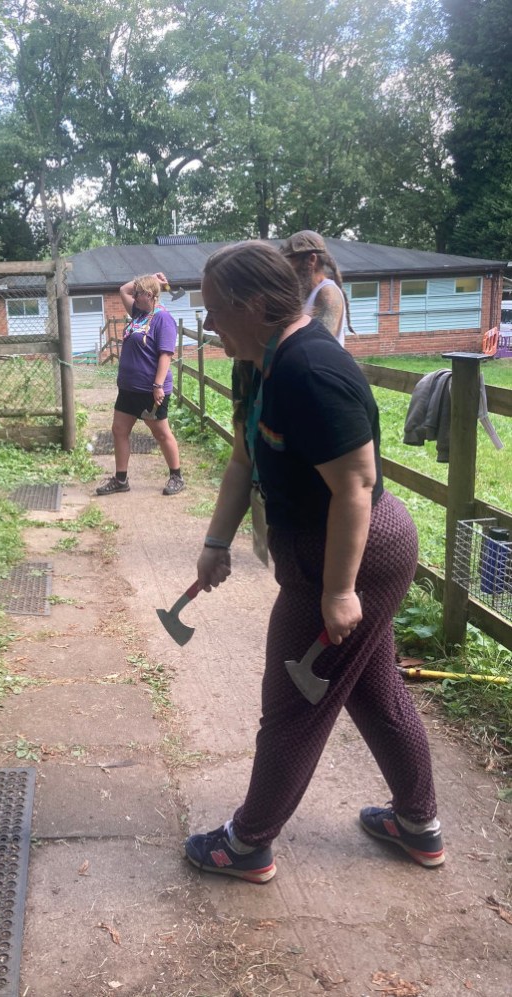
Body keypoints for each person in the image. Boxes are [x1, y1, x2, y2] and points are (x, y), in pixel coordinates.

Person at [184, 240, 443, 884]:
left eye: (215, 309)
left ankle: (248, 843)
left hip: (351, 556)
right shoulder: (259, 362)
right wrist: (216, 544)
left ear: (249, 305)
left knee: (295, 702)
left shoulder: (311, 370)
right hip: (323, 554)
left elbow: (357, 482)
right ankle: (419, 824)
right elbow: (245, 459)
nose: (209, 323)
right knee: (375, 692)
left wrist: (339, 589)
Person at [96, 271, 185, 497]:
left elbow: (166, 355)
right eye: (135, 294)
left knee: (161, 433)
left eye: (139, 294)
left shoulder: (162, 318)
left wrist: (157, 386)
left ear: (149, 295)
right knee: (119, 430)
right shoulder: (138, 314)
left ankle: (176, 476)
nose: (133, 296)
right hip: (129, 388)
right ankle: (121, 479)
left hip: (150, 390)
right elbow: (122, 290)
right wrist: (151, 276)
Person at [279, 230, 355, 346]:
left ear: (312, 259)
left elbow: (319, 344)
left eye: (290, 260)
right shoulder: (305, 293)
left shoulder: (327, 292)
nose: (288, 267)